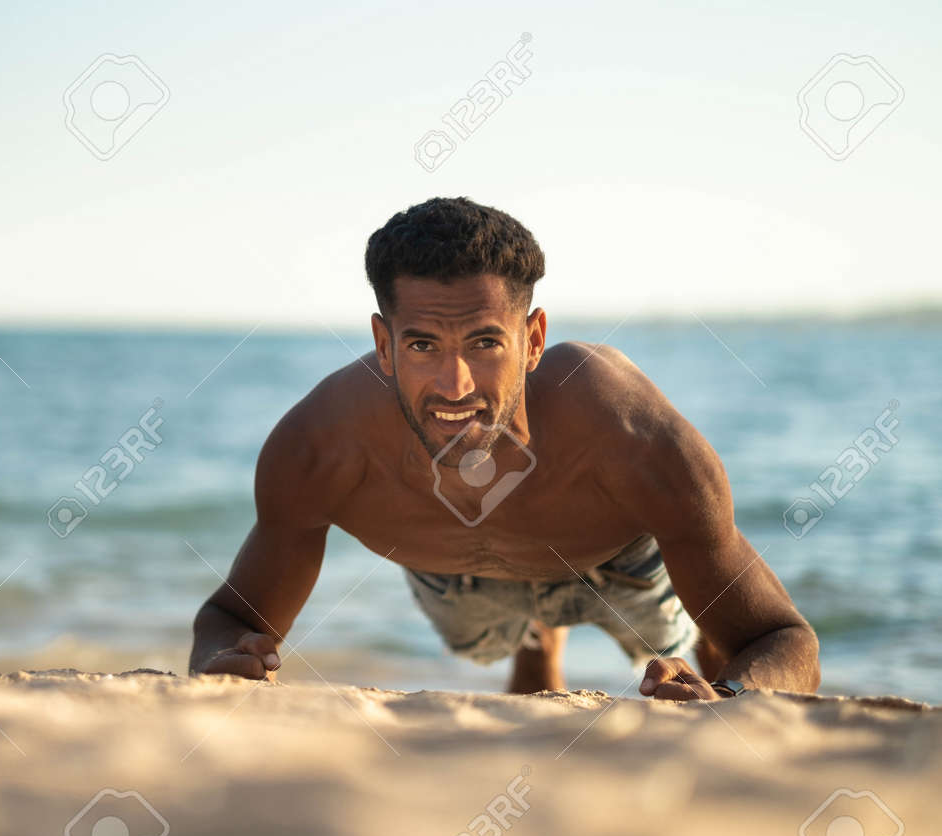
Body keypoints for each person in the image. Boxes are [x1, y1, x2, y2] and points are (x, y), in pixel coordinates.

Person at [189, 197, 819, 701]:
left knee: (707, 651)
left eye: (486, 343)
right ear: (384, 344)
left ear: (534, 337)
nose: (454, 385)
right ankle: (539, 641)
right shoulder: (319, 446)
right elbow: (228, 616)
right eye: (421, 346)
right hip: (457, 583)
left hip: (617, 563)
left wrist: (732, 692)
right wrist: (225, 664)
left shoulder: (630, 433)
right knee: (519, 659)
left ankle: (663, 663)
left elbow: (785, 639)